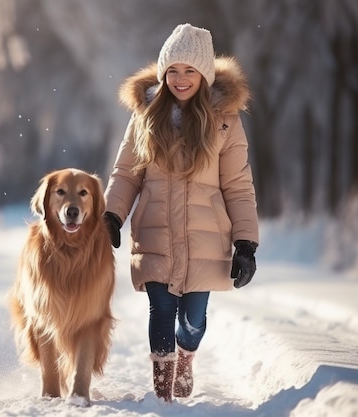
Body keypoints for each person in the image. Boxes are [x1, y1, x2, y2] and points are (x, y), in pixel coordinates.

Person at [103, 23, 259, 403]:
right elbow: (126, 174)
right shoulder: (145, 117)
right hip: (155, 231)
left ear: (204, 74)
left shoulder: (225, 122)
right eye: (172, 70)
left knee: (191, 321)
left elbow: (238, 186)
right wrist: (111, 216)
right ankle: (164, 392)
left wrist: (245, 243)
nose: (180, 79)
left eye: (190, 70)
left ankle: (186, 357)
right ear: (162, 73)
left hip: (205, 237)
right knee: (161, 308)